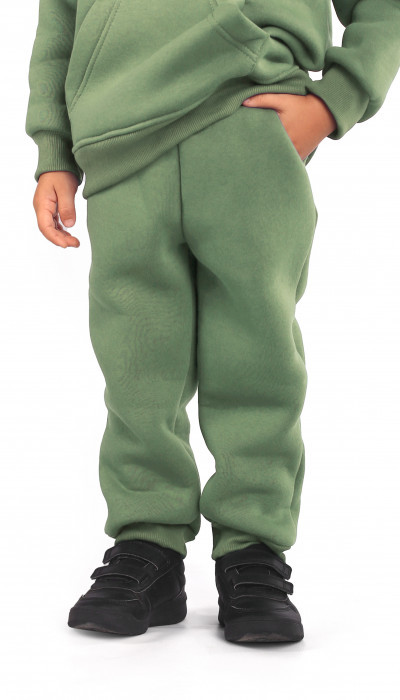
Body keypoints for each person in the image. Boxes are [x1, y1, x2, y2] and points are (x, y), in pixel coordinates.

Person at [25, 0, 400, 644]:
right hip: (118, 141)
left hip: (250, 123)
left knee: (257, 354)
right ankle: (148, 544)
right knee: (136, 362)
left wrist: (336, 99)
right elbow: (58, 20)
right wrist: (53, 150)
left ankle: (253, 550)